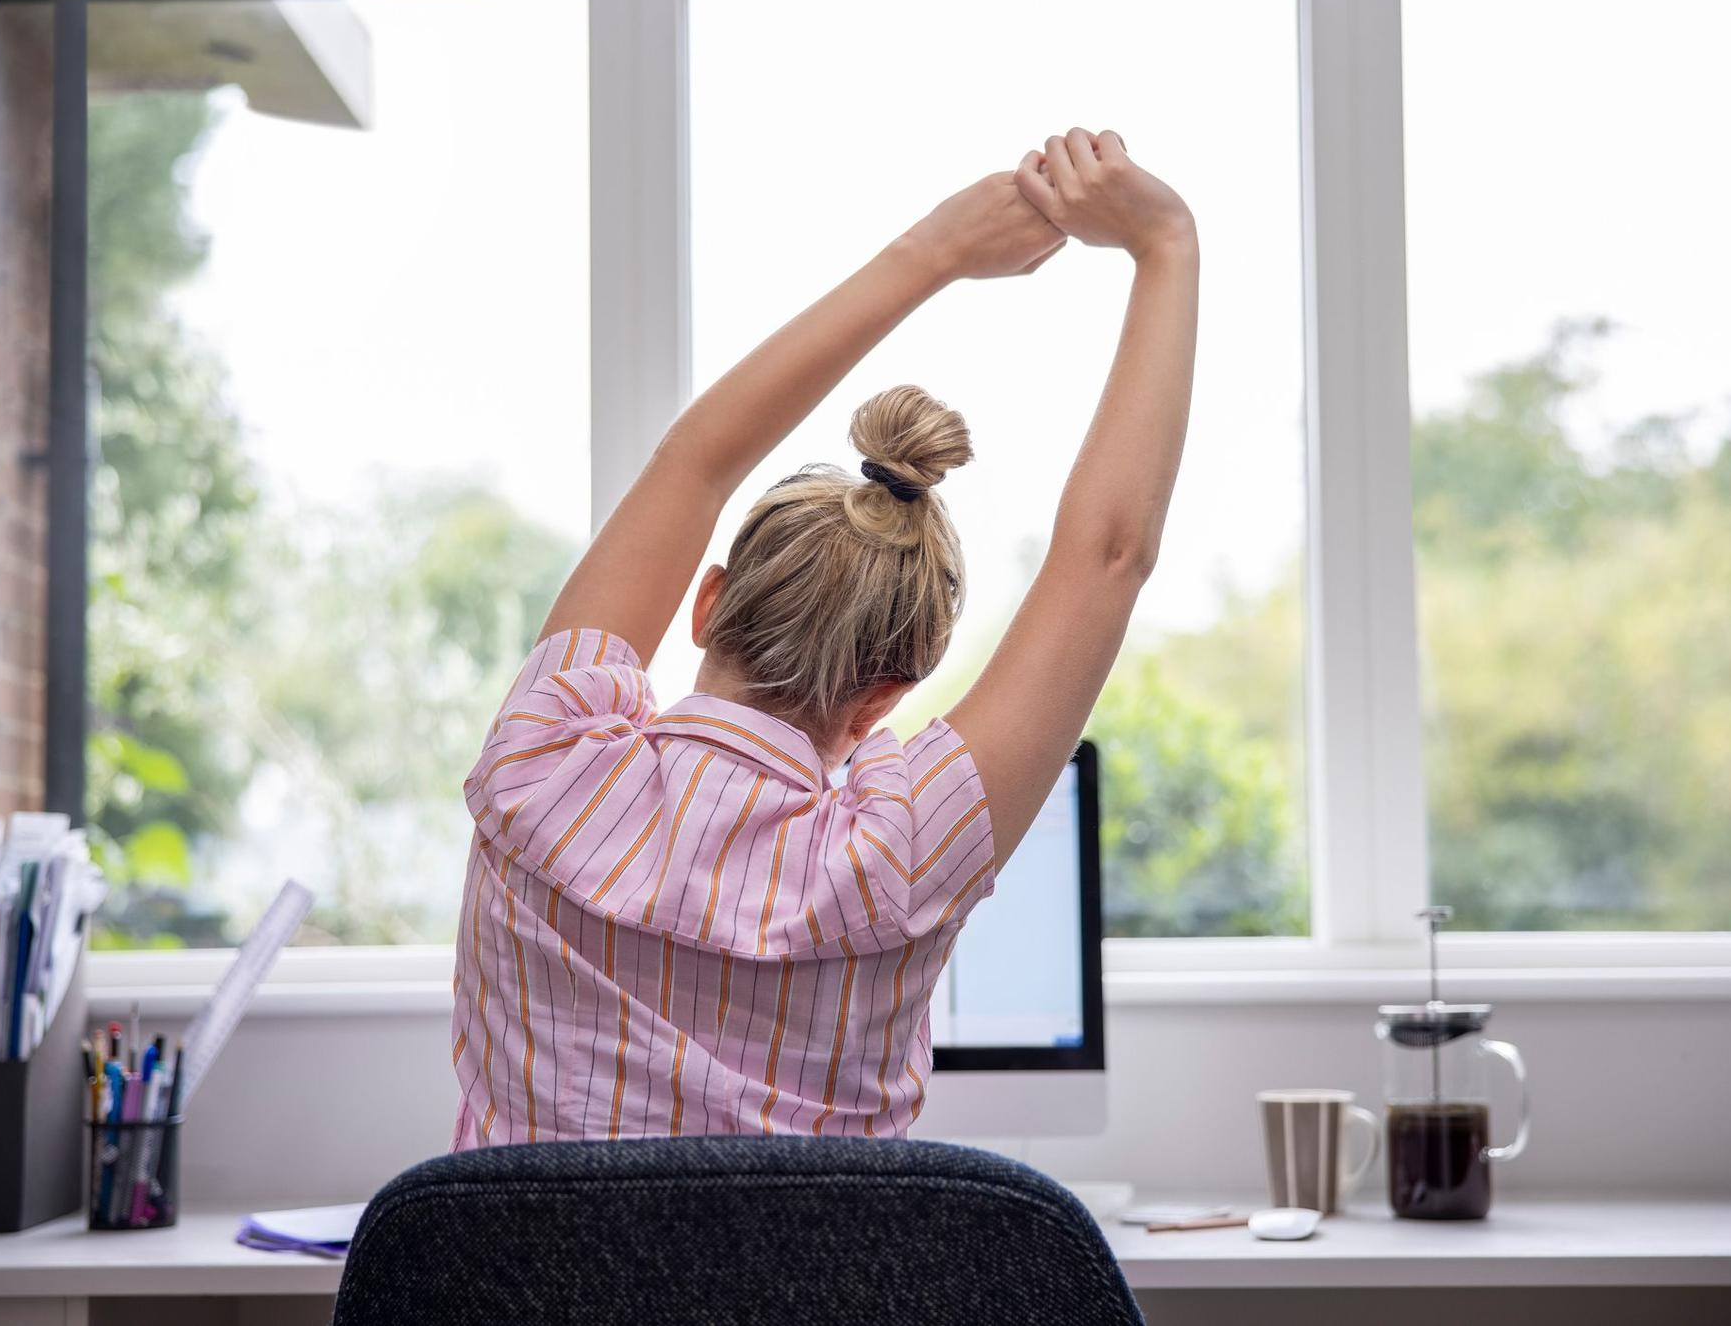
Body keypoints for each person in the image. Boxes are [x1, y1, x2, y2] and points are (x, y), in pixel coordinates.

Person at [452, 128, 1198, 1148]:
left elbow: (692, 465)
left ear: (705, 600)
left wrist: (933, 252)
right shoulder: (896, 851)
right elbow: (1107, 557)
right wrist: (1165, 246)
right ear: (887, 691)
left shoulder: (544, 755)